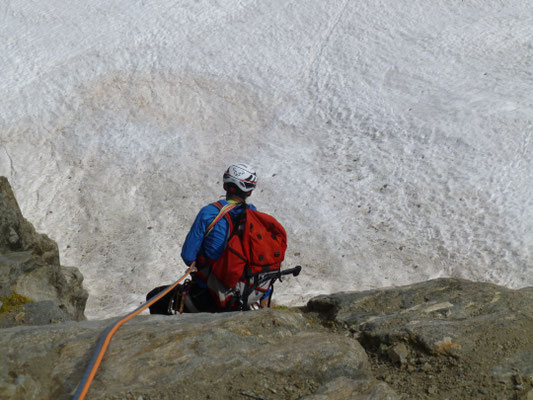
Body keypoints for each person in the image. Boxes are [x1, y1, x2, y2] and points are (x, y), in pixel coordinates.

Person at [180, 163, 272, 311]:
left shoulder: (209, 213)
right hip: (245, 292)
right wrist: (265, 296)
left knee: (157, 297)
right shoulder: (256, 218)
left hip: (209, 292)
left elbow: (188, 256)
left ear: (225, 186)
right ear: (249, 192)